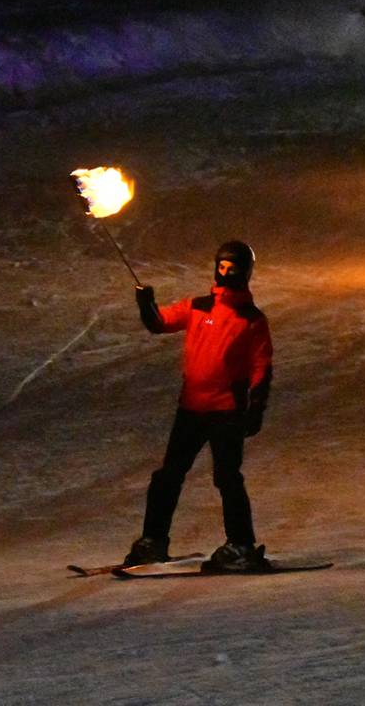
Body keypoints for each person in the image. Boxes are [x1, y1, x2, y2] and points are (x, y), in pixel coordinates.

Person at [124, 240, 273, 570]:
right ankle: (153, 541)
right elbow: (160, 322)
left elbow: (262, 365)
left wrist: (256, 407)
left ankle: (241, 545)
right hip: (191, 408)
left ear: (245, 272)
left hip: (226, 411)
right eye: (221, 266)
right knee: (167, 476)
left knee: (227, 477)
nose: (226, 273)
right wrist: (146, 304)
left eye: (232, 268)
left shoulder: (251, 320)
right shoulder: (198, 306)